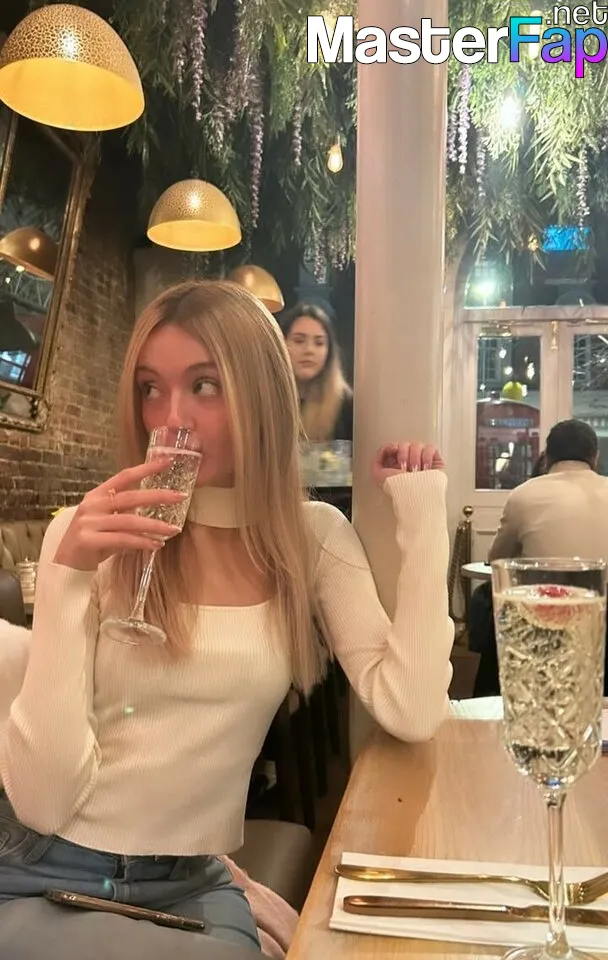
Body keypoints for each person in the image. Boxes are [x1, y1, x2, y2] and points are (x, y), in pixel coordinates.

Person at [0, 280, 454, 954]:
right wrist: (68, 576)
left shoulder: (311, 539)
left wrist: (423, 513)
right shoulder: (89, 532)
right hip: (46, 873)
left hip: (191, 884)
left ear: (259, 393)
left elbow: (411, 708)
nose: (171, 417)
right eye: (150, 389)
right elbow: (43, 802)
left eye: (204, 385)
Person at [489, 419, 607, 561]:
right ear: (595, 456)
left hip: (543, 576)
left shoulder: (523, 495)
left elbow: (496, 559)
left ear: (546, 456)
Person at [280, 302, 353, 442]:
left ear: (329, 352)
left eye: (319, 343)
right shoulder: (265, 399)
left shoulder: (346, 405)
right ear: (282, 344)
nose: (309, 350)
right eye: (299, 341)